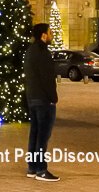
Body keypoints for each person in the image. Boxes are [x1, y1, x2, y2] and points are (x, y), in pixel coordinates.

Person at [23, 22, 59, 182]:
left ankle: (32, 167)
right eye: (50, 33)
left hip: (32, 98)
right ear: (43, 35)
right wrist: (53, 98)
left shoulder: (30, 51)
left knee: (35, 134)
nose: (51, 35)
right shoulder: (43, 53)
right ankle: (41, 169)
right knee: (43, 136)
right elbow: (47, 79)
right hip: (44, 100)